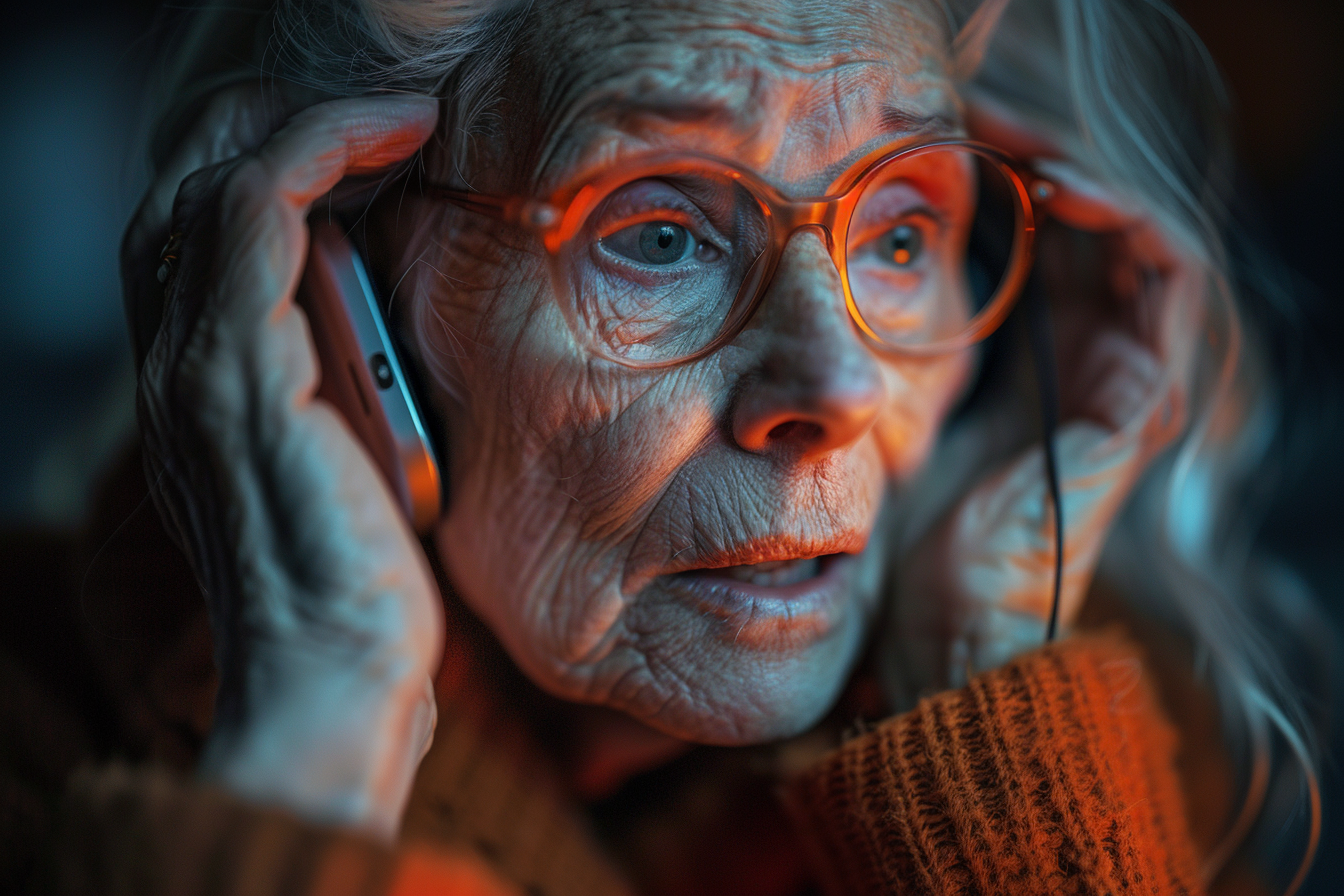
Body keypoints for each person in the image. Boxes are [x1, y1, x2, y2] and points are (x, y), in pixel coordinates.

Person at [0, 0, 1328, 893]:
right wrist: (315, 730)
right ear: (338, 309)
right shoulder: (41, 752)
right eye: (658, 234)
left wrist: (984, 708)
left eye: (900, 232)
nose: (842, 382)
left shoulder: (1104, 743)